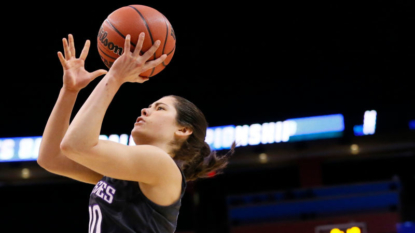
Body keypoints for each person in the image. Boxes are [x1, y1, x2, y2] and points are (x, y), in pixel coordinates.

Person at [37, 33, 235, 233]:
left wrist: (115, 76)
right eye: (150, 105)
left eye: (160, 108)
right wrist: (69, 91)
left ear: (183, 130)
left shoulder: (161, 164)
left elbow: (76, 145)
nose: (145, 110)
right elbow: (51, 158)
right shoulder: (129, 169)